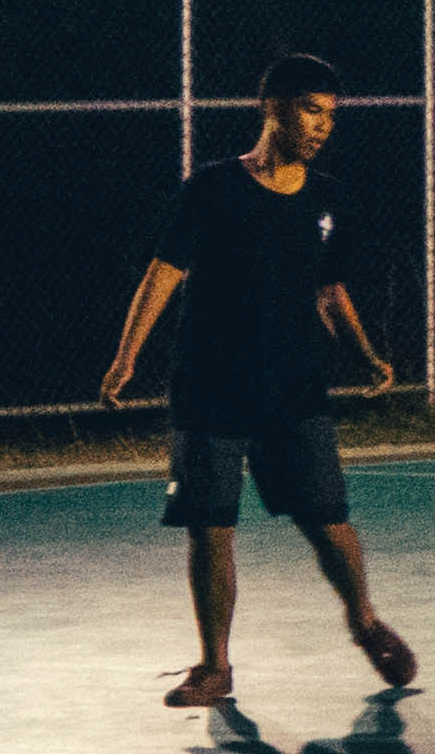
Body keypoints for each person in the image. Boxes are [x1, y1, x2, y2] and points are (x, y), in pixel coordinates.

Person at [99, 56, 416, 710]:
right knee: (211, 527)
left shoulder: (327, 199)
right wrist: (127, 356)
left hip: (294, 387)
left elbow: (330, 292)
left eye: (331, 113)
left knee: (328, 521)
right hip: (209, 385)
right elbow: (163, 273)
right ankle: (214, 667)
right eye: (311, 109)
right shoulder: (211, 188)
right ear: (270, 107)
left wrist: (365, 354)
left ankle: (362, 620)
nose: (323, 125)